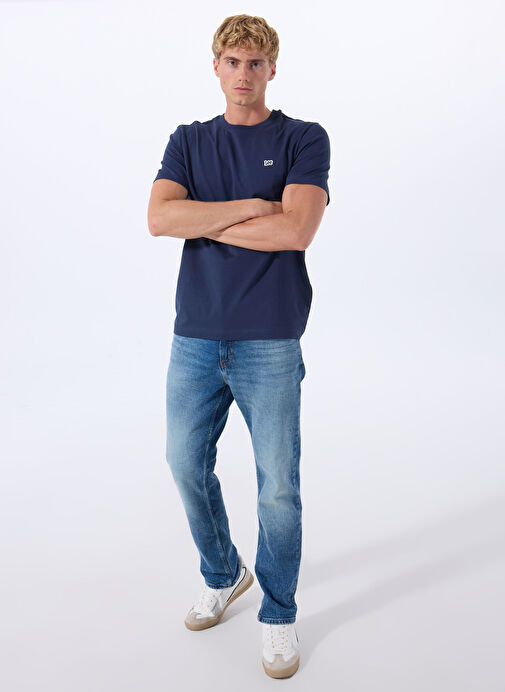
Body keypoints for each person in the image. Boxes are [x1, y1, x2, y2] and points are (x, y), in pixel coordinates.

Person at [147, 14, 330, 679]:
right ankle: (225, 573)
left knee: (277, 486)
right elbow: (159, 218)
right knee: (182, 463)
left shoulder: (302, 137)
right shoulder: (189, 140)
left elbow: (295, 232)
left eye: (255, 62)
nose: (243, 73)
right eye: (232, 61)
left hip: (270, 337)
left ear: (272, 69)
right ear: (215, 66)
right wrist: (253, 206)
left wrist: (204, 219)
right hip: (194, 335)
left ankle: (278, 614)